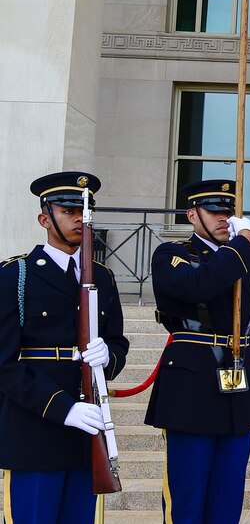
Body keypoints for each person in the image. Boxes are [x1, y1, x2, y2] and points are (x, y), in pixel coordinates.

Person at [0, 171, 129, 523]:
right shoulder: (15, 275)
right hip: (35, 430)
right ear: (45, 218)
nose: (80, 220)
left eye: (84, 212)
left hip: (87, 434)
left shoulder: (102, 276)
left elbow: (117, 341)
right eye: (69, 211)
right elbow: (5, 364)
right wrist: (64, 409)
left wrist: (110, 357)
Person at [145, 179, 250, 524]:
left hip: (238, 391)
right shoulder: (172, 255)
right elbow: (202, 284)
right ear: (191, 215)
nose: (224, 218)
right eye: (214, 211)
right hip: (191, 390)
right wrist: (243, 244)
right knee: (187, 501)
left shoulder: (243, 262)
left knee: (227, 503)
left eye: (228, 212)